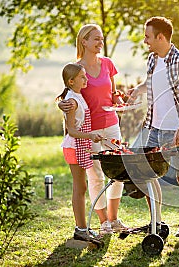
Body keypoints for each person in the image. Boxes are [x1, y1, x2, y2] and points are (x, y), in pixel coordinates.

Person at [128, 16, 179, 236]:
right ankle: (156, 222)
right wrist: (137, 91)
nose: (145, 41)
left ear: (161, 37)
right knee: (147, 175)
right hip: (154, 128)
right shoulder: (152, 59)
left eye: (148, 36)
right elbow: (150, 83)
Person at [58, 24, 128, 234]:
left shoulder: (108, 64)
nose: (100, 43)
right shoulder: (76, 69)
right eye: (96, 39)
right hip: (90, 132)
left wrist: (118, 99)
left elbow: (113, 92)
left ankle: (114, 219)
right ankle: (103, 220)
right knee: (96, 176)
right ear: (84, 42)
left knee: (118, 172)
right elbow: (69, 96)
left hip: (112, 125)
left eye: (102, 39)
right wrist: (61, 105)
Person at [56, 63, 103, 242]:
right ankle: (80, 229)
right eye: (83, 77)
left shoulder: (76, 96)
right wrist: (91, 135)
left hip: (80, 145)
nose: (86, 79)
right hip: (74, 146)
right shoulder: (72, 101)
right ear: (71, 81)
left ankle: (83, 227)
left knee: (81, 186)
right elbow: (72, 131)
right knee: (80, 187)